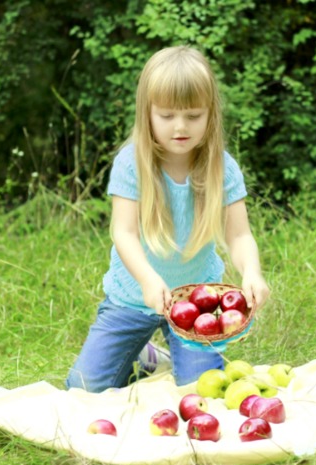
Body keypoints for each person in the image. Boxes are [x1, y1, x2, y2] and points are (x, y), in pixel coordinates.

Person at [66, 45, 270, 393]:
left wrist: (252, 271)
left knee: (200, 388)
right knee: (83, 387)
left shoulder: (223, 168)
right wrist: (148, 280)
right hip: (132, 296)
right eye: (167, 116)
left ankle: (173, 352)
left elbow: (239, 236)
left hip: (197, 300)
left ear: (211, 114)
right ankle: (144, 354)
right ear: (147, 114)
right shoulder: (131, 164)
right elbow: (124, 233)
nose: (180, 127)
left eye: (193, 116)